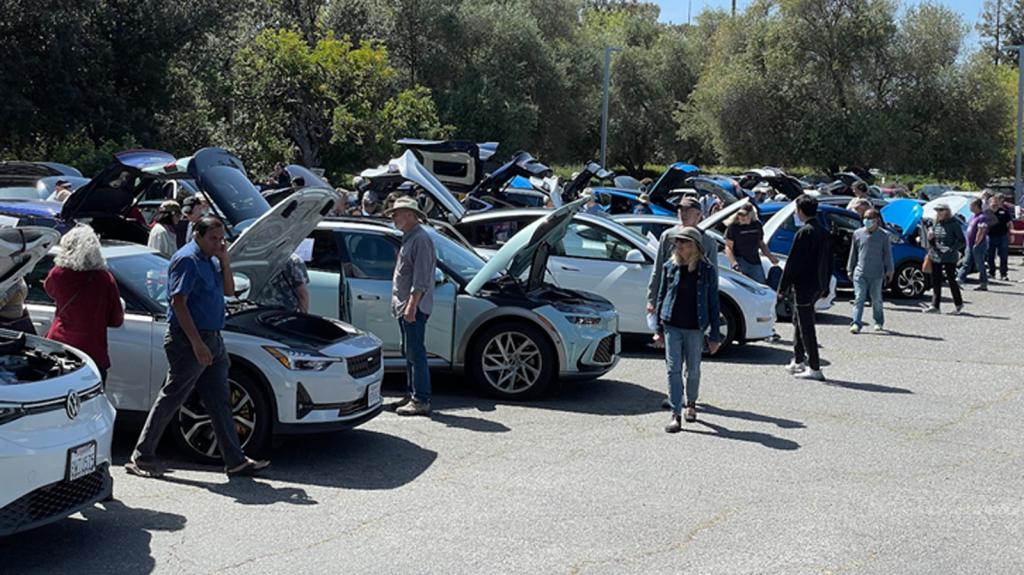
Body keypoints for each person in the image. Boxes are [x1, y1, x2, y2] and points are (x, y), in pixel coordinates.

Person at [128, 217, 269, 478]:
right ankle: (142, 456)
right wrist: (196, 344)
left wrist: (225, 259)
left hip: (213, 338)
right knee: (173, 397)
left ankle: (235, 461)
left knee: (219, 400)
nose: (218, 243)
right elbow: (178, 303)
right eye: (213, 239)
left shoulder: (212, 259)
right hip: (188, 340)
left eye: (221, 239)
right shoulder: (187, 260)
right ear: (198, 235)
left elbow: (228, 290)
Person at [653, 227, 721, 433]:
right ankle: (676, 413)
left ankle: (691, 403)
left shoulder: (706, 270)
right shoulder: (669, 266)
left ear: (695, 247)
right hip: (672, 325)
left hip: (695, 327)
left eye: (684, 242)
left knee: (693, 370)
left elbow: (713, 303)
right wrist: (657, 328)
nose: (679, 246)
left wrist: (714, 336)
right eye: (678, 242)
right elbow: (661, 296)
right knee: (673, 370)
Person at [43, 226, 124, 381]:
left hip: (60, 346)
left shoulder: (58, 274)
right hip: (92, 352)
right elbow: (116, 320)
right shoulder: (104, 279)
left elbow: (49, 290)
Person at [384, 197, 436, 416]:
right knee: (410, 352)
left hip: (412, 306)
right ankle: (412, 393)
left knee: (416, 353)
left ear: (410, 215)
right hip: (405, 305)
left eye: (397, 213)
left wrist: (412, 306)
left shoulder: (421, 239)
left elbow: (421, 278)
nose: (393, 217)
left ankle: (421, 399)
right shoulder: (410, 238)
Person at [646, 197, 719, 338]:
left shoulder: (708, 241)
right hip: (671, 300)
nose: (683, 214)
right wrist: (651, 299)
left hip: (695, 301)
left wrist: (711, 310)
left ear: (699, 215)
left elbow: (713, 277)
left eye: (688, 211)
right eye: (681, 210)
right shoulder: (668, 236)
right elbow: (658, 270)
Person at [778, 195, 831, 381]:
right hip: (817, 284)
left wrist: (782, 286)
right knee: (798, 320)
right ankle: (798, 359)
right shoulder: (823, 231)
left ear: (800, 211)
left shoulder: (804, 233)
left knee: (806, 325)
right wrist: (825, 285)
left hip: (804, 285)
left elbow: (793, 263)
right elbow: (828, 261)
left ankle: (815, 367)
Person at [847, 208, 893, 333]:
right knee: (859, 298)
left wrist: (890, 270)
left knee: (876, 299)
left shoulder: (884, 235)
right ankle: (856, 323)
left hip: (877, 274)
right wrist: (849, 269)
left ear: (876, 220)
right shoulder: (857, 233)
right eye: (865, 218)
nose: (866, 221)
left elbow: (887, 254)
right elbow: (853, 253)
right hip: (860, 272)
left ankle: (878, 321)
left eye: (869, 218)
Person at [923, 204, 966, 314]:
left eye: (941, 210)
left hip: (950, 257)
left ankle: (959, 304)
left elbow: (962, 241)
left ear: (947, 211)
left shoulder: (954, 224)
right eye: (937, 210)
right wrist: (930, 238)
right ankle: (935, 306)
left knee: (951, 280)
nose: (938, 212)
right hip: (936, 255)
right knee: (936, 281)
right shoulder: (935, 224)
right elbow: (933, 243)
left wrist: (951, 249)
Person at [724, 204, 778, 284]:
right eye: (739, 214)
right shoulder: (733, 227)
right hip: (740, 261)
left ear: (751, 215)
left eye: (744, 215)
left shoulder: (757, 225)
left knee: (761, 286)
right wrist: (734, 263)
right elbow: (728, 247)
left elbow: (761, 244)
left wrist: (770, 256)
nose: (741, 217)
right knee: (741, 287)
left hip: (755, 261)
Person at [958, 198, 989, 290]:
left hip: (978, 245)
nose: (970, 207)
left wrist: (977, 242)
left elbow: (981, 231)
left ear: (976, 206)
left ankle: (983, 283)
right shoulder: (972, 217)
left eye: (971, 205)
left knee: (979, 264)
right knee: (966, 262)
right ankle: (959, 279)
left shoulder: (982, 217)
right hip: (969, 244)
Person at [985, 193, 1011, 281]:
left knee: (1003, 256)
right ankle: (991, 272)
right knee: (990, 255)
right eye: (993, 202)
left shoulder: (1004, 212)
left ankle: (1003, 274)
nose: (995, 203)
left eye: (997, 201)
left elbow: (1009, 224)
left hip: (1003, 236)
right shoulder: (986, 213)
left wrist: (1011, 234)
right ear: (989, 203)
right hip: (990, 236)